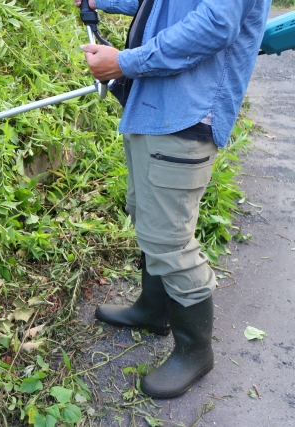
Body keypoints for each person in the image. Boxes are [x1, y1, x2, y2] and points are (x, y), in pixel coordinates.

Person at [73, 0, 271, 398]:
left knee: (170, 240)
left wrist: (125, 62)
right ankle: (153, 309)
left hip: (186, 115)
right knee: (146, 213)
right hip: (153, 105)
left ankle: (195, 351)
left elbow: (216, 24)